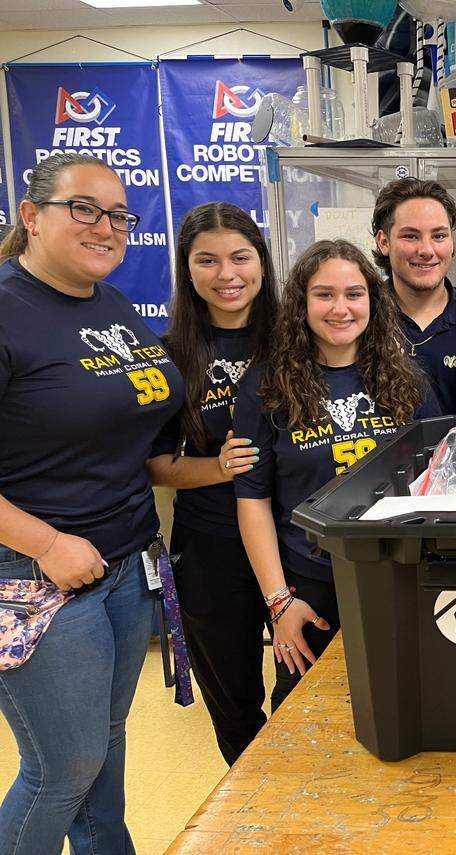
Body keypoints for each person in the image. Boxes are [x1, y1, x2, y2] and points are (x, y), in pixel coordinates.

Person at [0, 153, 185, 854]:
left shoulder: (106, 302)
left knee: (102, 751)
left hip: (122, 562)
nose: (106, 227)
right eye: (84, 208)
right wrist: (48, 543)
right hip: (35, 575)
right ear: (31, 215)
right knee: (61, 768)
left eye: (118, 215)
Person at [233, 240, 440, 707]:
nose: (340, 308)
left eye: (354, 294)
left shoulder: (407, 378)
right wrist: (280, 603)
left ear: (373, 300)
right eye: (324, 294)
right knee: (302, 720)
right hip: (309, 588)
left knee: (404, 707)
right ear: (301, 304)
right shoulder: (266, 387)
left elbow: (434, 484)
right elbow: (253, 501)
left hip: (398, 578)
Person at [146, 202, 279, 766]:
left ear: (263, 263)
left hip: (290, 542)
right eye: (208, 261)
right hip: (212, 547)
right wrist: (218, 468)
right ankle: (256, 815)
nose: (227, 275)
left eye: (240, 257)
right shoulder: (170, 354)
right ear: (187, 268)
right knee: (235, 701)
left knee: (305, 687)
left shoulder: (294, 338)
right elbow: (156, 465)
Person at [372, 177, 456, 415]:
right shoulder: (362, 321)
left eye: (439, 236)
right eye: (410, 236)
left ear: (451, 243)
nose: (426, 250)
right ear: (384, 242)